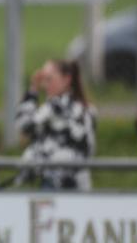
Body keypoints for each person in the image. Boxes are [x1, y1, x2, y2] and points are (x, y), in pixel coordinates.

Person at [15, 59, 95, 190]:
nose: (45, 85)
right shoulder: (87, 108)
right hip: (81, 183)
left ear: (67, 79)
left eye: (49, 79)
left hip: (58, 184)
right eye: (43, 80)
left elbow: (23, 124)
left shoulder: (56, 106)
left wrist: (33, 90)